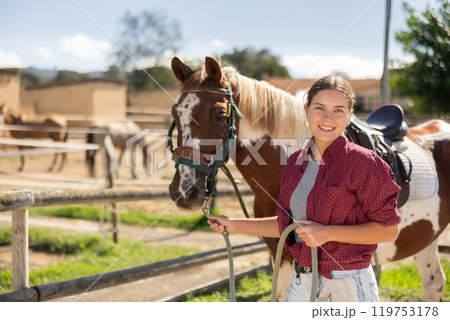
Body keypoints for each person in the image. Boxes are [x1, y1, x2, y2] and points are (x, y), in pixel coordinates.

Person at [207, 75, 400, 302]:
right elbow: (289, 226)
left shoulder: (365, 163)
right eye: (320, 108)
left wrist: (328, 233)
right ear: (307, 110)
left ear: (349, 116)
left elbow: (389, 231)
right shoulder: (295, 161)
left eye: (338, 110)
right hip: (301, 282)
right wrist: (234, 224)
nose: (328, 118)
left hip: (347, 285)